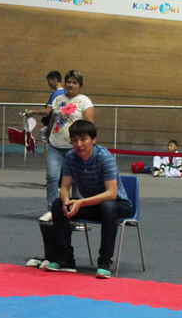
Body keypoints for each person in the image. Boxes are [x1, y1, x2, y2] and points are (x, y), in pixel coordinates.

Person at [35, 120, 133, 279]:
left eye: (83, 139)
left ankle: (104, 262)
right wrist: (66, 202)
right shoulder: (70, 157)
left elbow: (111, 193)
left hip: (119, 204)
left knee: (108, 206)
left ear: (93, 140)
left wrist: (80, 202)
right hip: (93, 205)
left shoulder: (104, 157)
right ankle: (65, 259)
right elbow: (65, 187)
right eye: (74, 141)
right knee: (58, 204)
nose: (79, 144)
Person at [42, 70, 94, 221]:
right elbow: (53, 119)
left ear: (80, 85)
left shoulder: (84, 101)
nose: (71, 85)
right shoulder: (58, 99)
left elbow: (89, 124)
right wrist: (47, 135)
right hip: (55, 145)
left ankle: (76, 213)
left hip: (75, 148)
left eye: (74, 82)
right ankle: (53, 210)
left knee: (76, 181)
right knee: (52, 177)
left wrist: (88, 145)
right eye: (69, 82)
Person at [22, 70, 65, 146]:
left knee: (43, 135)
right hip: (64, 126)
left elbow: (47, 112)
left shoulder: (55, 94)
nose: (48, 84)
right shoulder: (66, 92)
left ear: (54, 80)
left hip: (55, 126)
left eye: (49, 81)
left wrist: (32, 112)